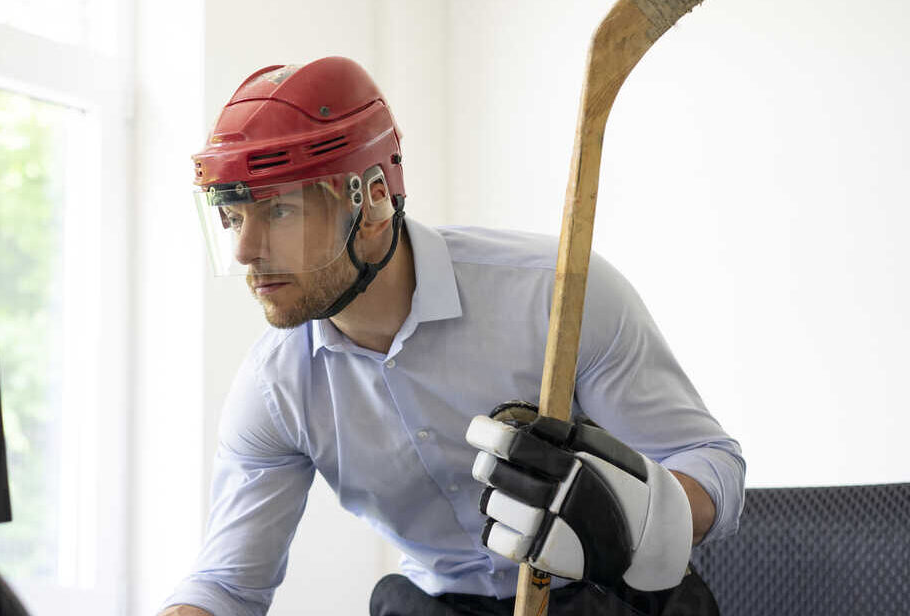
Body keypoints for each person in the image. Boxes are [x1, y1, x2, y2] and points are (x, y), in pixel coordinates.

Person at [160, 57, 743, 616]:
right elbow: (228, 586)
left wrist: (635, 515)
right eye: (234, 217)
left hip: (608, 597)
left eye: (280, 211)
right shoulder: (275, 389)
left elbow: (711, 462)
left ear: (372, 203)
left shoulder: (555, 294)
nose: (243, 250)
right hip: (434, 603)